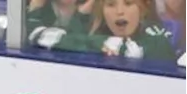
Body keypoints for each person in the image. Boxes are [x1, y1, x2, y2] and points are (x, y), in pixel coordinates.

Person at [32, 0, 176, 58]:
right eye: (111, 4)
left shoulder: (158, 37)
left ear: (142, 9)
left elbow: (132, 50)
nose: (120, 11)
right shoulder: (98, 33)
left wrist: (102, 43)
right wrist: (82, 14)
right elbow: (66, 48)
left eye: (128, 3)